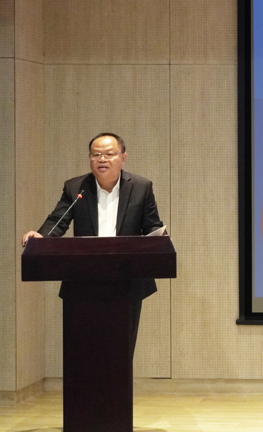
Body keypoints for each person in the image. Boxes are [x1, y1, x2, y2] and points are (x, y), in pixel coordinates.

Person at [21, 132, 164, 355]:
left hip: (127, 279)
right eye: (96, 154)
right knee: (84, 350)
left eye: (109, 154)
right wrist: (41, 237)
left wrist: (162, 242)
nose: (102, 159)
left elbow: (152, 226)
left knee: (121, 349)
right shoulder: (75, 187)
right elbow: (58, 220)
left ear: (123, 158)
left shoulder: (141, 187)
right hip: (83, 279)